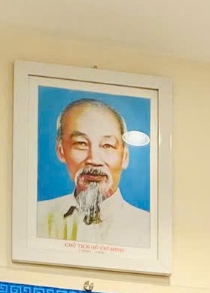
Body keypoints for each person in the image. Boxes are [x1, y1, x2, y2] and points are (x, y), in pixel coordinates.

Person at [36, 97, 153, 250]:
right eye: (81, 143)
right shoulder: (37, 217)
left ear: (125, 156)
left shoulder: (148, 228)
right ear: (61, 151)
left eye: (107, 145)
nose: (94, 160)